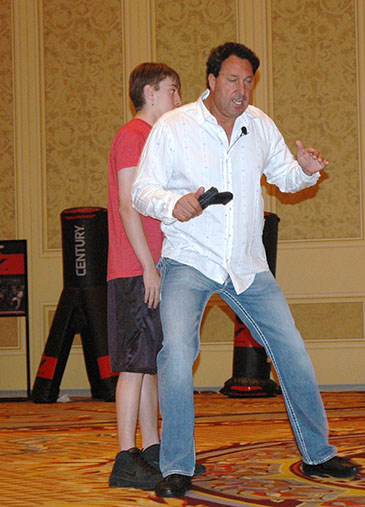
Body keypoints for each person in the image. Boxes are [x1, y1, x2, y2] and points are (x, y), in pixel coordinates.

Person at [132, 42, 360, 498]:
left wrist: (305, 170)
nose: (241, 90)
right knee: (176, 354)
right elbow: (142, 191)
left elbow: (285, 178)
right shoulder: (174, 126)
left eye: (248, 81)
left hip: (247, 265)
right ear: (212, 80)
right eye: (233, 80)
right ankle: (176, 466)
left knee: (292, 351)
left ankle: (318, 455)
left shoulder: (259, 125)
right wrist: (173, 203)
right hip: (190, 259)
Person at [107, 63, 182, 489]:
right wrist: (148, 267)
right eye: (172, 90)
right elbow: (127, 204)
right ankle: (125, 457)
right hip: (136, 269)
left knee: (149, 363)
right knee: (133, 367)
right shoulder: (133, 136)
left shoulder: (152, 139)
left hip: (149, 267)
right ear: (150, 92)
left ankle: (152, 449)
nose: (177, 99)